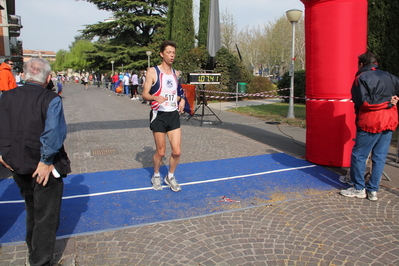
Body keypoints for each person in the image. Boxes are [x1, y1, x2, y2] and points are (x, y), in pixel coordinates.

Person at [0, 58, 68, 265]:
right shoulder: (50, 98)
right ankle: (39, 261)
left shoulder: (6, 97)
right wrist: (46, 160)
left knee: (32, 209)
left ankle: (33, 252)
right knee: (45, 216)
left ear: (23, 75)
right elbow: (54, 133)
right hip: (41, 165)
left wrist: (2, 153)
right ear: (48, 78)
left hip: (16, 163)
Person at [340, 51, 399, 201]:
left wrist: (385, 102)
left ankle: (359, 187)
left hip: (371, 122)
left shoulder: (361, 78)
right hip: (389, 120)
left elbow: (363, 102)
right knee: (379, 157)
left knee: (359, 155)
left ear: (361, 64)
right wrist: (391, 101)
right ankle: (373, 190)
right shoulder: (390, 76)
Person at [142, 40, 186, 192]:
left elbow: (178, 93)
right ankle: (155, 175)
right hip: (159, 115)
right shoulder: (153, 72)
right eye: (168, 52)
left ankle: (170, 176)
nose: (172, 55)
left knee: (177, 152)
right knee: (161, 152)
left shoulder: (176, 73)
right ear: (161, 54)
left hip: (173, 115)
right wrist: (155, 97)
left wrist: (182, 100)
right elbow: (144, 94)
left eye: (173, 53)